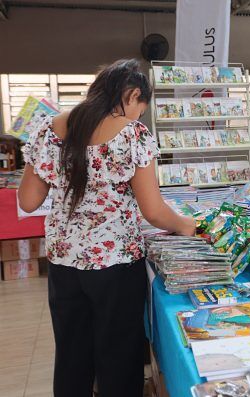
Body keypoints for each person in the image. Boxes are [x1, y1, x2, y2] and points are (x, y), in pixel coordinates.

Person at [17, 59, 196, 397]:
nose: (139, 116)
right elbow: (154, 211)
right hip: (115, 260)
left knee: (71, 353)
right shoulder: (132, 134)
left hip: (63, 260)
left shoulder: (47, 128)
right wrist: (187, 225)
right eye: (140, 108)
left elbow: (27, 200)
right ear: (131, 95)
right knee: (118, 353)